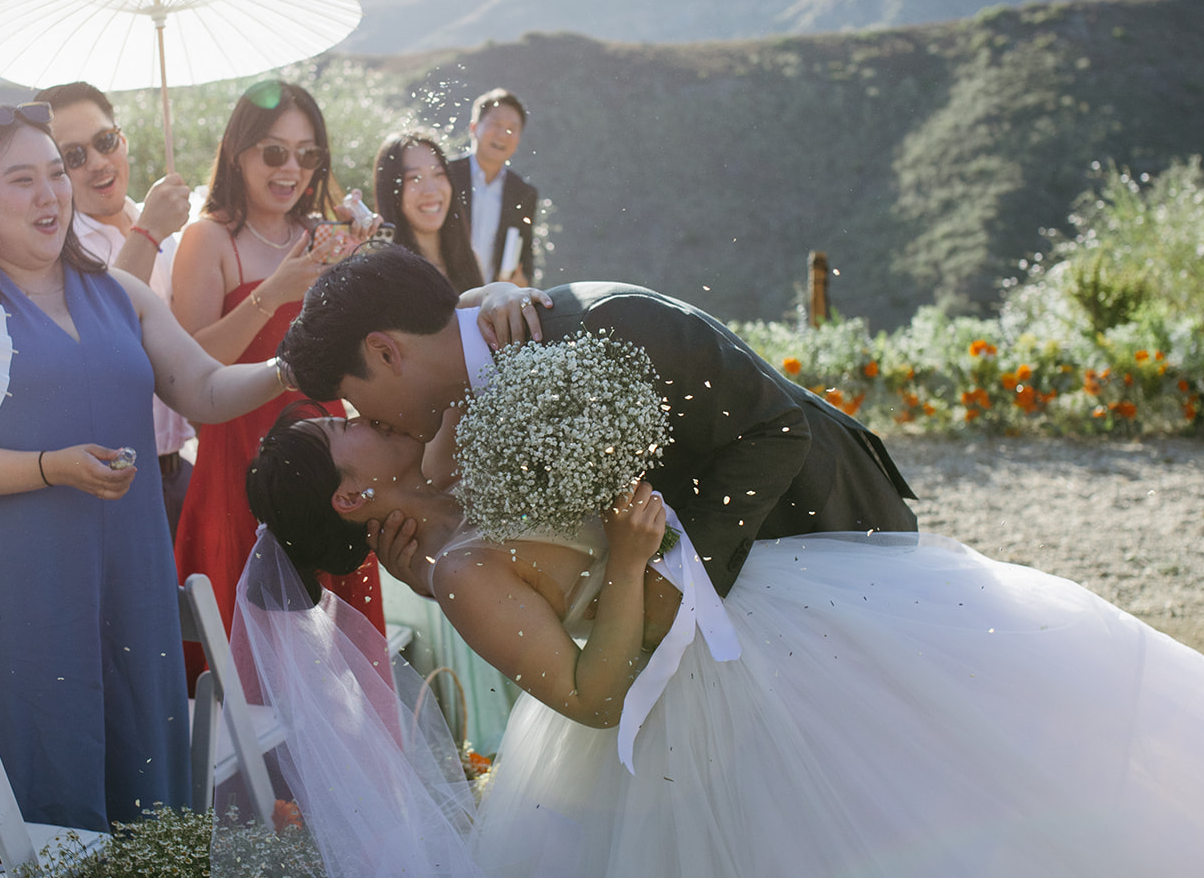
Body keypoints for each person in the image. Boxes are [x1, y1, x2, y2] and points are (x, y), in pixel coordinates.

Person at [244, 401, 1204, 878]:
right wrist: (628, 561)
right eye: (345, 428)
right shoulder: (457, 570)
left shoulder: (447, 463)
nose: (363, 414)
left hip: (749, 607)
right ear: (348, 496)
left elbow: (452, 356)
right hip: (689, 701)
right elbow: (593, 695)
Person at [0, 98, 291, 832]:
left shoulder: (120, 292)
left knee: (139, 810)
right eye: (21, 180)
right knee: (27, 820)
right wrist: (52, 467)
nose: (51, 193)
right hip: (12, 595)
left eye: (55, 172)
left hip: (128, 580)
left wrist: (290, 364)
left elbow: (207, 388)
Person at [279, 243, 917, 601]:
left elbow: (775, 430)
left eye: (352, 400)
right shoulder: (467, 407)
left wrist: (680, 588)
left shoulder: (603, 325)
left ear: (385, 352)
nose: (367, 420)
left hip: (828, 529)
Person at [170, 79, 383, 679]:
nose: (291, 168)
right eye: (274, 152)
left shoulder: (324, 237)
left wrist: (362, 265)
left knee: (343, 661)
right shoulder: (206, 238)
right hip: (238, 467)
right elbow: (190, 370)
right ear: (238, 153)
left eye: (307, 153)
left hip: (332, 466)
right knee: (244, 667)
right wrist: (274, 294)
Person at [36, 80, 197, 535]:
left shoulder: (173, 228)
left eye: (105, 142)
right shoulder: (58, 252)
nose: (98, 163)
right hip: (108, 484)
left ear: (122, 139)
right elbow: (103, 330)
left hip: (179, 465)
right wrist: (147, 233)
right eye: (74, 157)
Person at [447, 88, 538, 285]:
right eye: (495, 124)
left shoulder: (524, 193)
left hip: (490, 308)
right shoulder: (445, 175)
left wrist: (523, 281)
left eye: (512, 128)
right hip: (442, 297)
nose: (503, 134)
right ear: (473, 128)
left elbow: (526, 258)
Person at [376, 131, 485, 292]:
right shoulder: (382, 273)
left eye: (438, 174)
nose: (431, 190)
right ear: (391, 190)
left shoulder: (471, 260)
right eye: (414, 177)